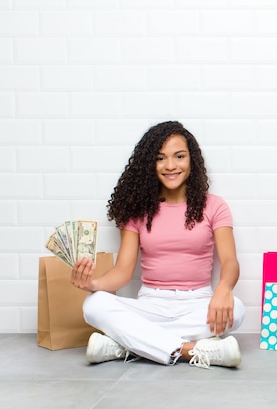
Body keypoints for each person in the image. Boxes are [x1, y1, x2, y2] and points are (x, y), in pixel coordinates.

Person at [70, 120, 245, 369]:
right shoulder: (137, 211)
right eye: (160, 158)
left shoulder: (214, 206)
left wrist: (224, 289)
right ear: (149, 164)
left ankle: (127, 346)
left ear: (191, 160)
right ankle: (189, 350)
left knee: (236, 310)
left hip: (198, 303)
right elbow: (122, 272)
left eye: (179, 156)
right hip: (151, 304)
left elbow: (229, 261)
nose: (171, 166)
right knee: (93, 304)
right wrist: (93, 284)